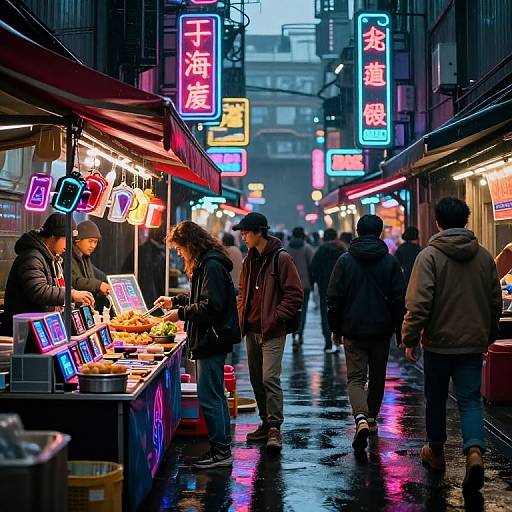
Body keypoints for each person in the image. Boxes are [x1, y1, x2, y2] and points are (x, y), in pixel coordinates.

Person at [402, 197, 502, 492]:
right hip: (472, 343)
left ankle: (436, 453)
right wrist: (489, 332)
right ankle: (474, 453)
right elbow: (495, 301)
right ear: (466, 220)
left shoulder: (429, 257)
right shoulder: (483, 257)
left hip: (438, 344)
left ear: (438, 222)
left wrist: (409, 338)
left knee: (435, 399)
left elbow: (418, 304)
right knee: (470, 400)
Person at [155, 221, 240, 469]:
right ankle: (222, 448)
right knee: (216, 396)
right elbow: (200, 297)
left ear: (191, 244)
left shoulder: (211, 266)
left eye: (180, 249)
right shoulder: (208, 263)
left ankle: (221, 452)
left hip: (211, 339)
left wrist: (180, 313)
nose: (180, 254)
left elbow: (211, 305)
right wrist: (174, 301)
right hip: (211, 338)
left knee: (210, 397)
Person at [327, 214, 405, 450]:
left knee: (356, 378)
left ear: (358, 231)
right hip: (382, 331)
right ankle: (370, 419)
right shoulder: (390, 262)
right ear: (380, 232)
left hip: (353, 329)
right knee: (378, 376)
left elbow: (333, 299)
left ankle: (360, 418)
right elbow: (399, 300)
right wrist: (401, 332)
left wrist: (335, 329)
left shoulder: (344, 261)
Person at [234, 212, 303, 452]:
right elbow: (243, 292)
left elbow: (295, 294)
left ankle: (275, 427)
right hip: (251, 329)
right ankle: (265, 422)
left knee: (269, 378)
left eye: (245, 232)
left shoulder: (281, 259)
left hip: (272, 330)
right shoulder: (247, 261)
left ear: (259, 232)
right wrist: (241, 314)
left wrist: (276, 317)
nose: (242, 236)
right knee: (255, 379)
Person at [1, 213, 94, 335]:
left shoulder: (52, 257)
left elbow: (58, 286)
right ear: (52, 236)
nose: (68, 245)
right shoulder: (32, 257)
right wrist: (71, 294)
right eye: (66, 239)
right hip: (25, 333)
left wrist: (76, 299)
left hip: (42, 329)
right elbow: (38, 290)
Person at [310, 228, 345, 353]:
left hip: (324, 287)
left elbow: (313, 267)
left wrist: (314, 281)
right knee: (341, 313)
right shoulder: (342, 250)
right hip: (341, 288)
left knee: (325, 315)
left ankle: (328, 342)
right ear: (336, 236)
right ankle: (338, 340)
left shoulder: (321, 250)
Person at [122, 227, 167, 307]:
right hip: (147, 294)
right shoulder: (140, 251)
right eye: (142, 232)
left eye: (144, 232)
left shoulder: (156, 251)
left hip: (151, 294)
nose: (142, 235)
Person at [286, 226, 314, 351]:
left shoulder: (286, 248)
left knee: (292, 311)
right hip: (304, 285)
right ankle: (299, 335)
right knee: (303, 311)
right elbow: (311, 266)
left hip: (289, 286)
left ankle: (294, 335)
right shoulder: (307, 248)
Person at [71, 220, 110, 309]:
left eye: (95, 242)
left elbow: (96, 277)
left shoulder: (84, 256)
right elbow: (74, 281)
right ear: (78, 240)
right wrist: (98, 285)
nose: (93, 245)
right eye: (90, 241)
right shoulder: (67, 256)